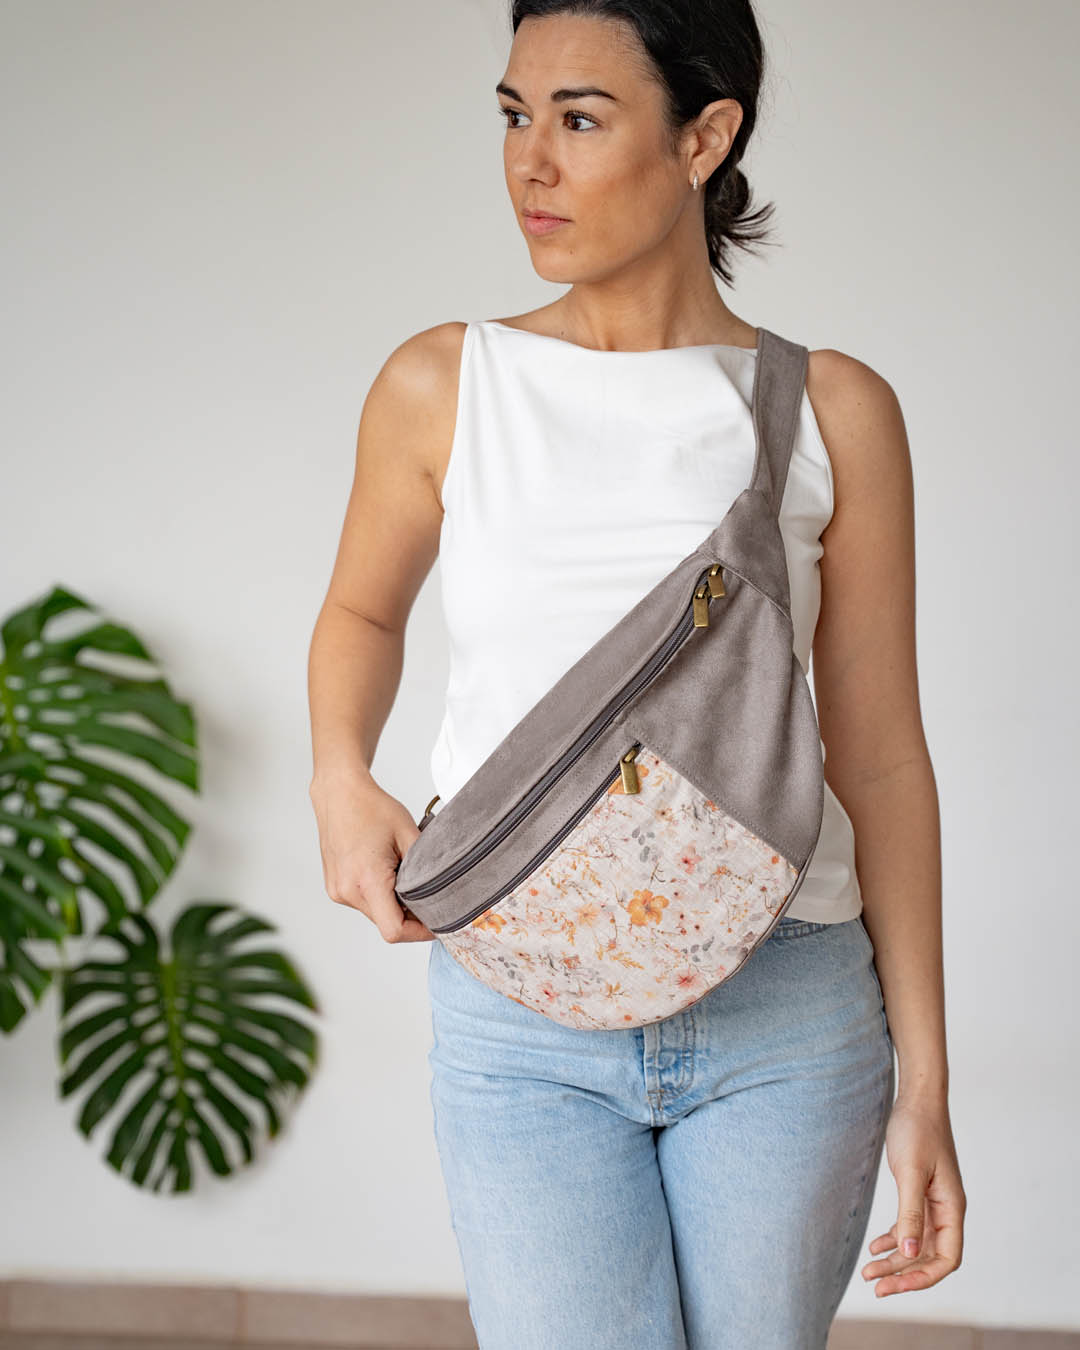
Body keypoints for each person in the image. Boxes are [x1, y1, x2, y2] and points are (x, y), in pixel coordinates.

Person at [307, 1, 966, 1345]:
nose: (530, 162)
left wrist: (927, 1083)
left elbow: (882, 753)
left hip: (789, 1005)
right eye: (513, 115)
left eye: (581, 118)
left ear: (704, 137)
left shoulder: (832, 410)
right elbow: (363, 613)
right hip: (520, 1015)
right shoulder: (447, 383)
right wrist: (337, 769)